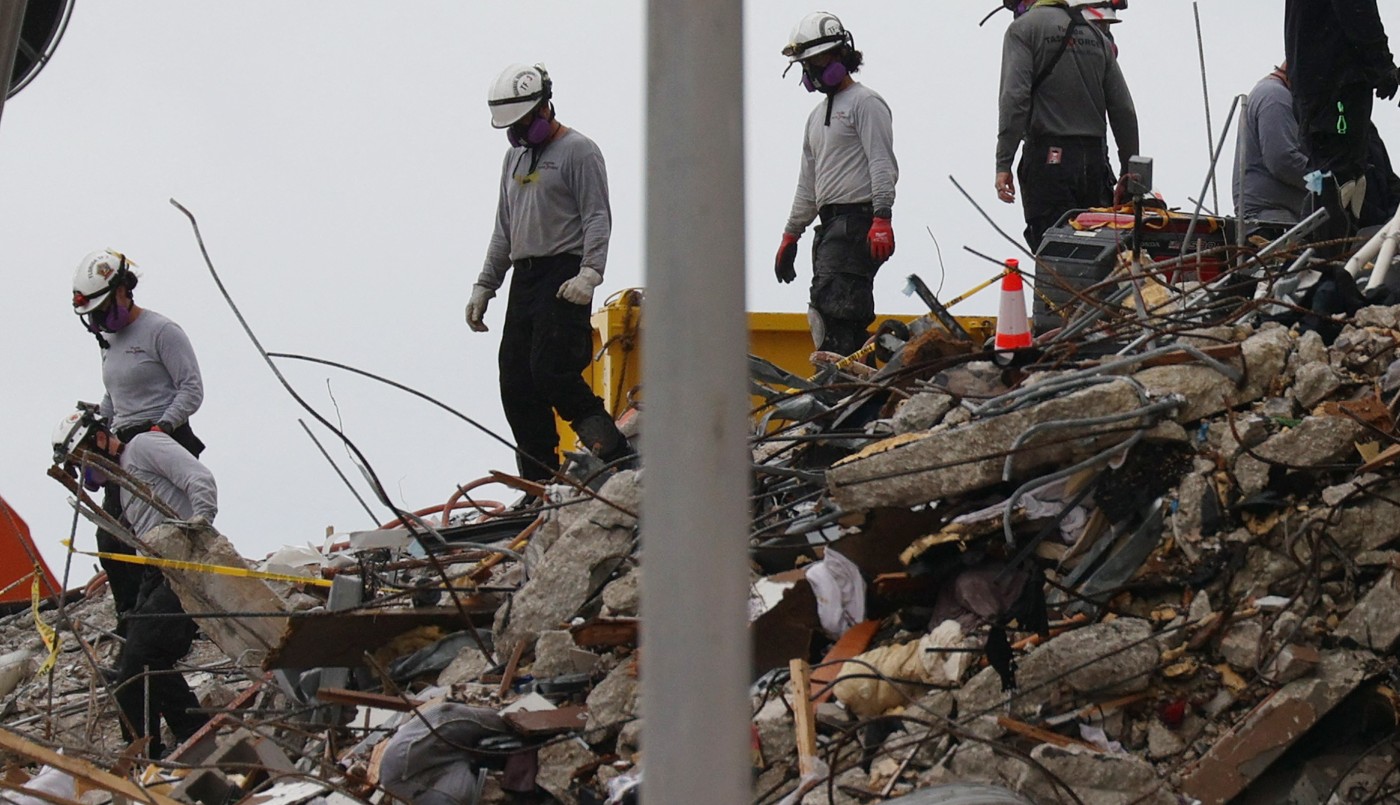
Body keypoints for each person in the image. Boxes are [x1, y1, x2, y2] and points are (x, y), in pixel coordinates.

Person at [465, 63, 632, 484]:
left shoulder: (579, 151)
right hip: (525, 275)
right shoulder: (514, 158)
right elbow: (505, 227)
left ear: (544, 108)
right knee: (515, 378)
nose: (519, 132)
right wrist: (486, 283)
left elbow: (597, 216)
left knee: (551, 369)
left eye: (524, 122)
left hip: (564, 272)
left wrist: (591, 272)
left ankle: (612, 450)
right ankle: (538, 478)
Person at [52, 405, 216, 759]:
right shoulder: (123, 487)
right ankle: (143, 758)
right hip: (157, 570)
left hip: (187, 561)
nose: (84, 472)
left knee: (146, 654)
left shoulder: (144, 446)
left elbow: (198, 478)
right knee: (128, 673)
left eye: (83, 461)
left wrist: (199, 523)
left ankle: (197, 736)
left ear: (100, 438)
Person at [71, 249, 205, 628]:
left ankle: (175, 620)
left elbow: (191, 389)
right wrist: (92, 426)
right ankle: (130, 620)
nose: (98, 320)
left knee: (163, 535)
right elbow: (115, 399)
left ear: (122, 291)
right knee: (112, 536)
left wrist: (162, 428)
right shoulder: (108, 344)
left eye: (101, 309)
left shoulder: (162, 331)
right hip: (125, 445)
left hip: (162, 439)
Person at [774, 11, 898, 359]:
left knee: (835, 313)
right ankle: (854, 393)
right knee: (832, 313)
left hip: (858, 222)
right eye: (806, 64)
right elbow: (808, 184)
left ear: (840, 56)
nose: (810, 72)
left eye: (816, 61)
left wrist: (882, 217)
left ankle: (839, 397)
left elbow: (881, 163)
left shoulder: (866, 103)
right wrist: (791, 234)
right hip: (830, 226)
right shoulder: (815, 117)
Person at [995, 0, 1139, 251]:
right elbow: (1123, 110)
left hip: (1049, 162)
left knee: (1056, 255)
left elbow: (1014, 99)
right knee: (1099, 252)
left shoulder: (1023, 30)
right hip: (1096, 164)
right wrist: (1128, 170)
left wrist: (1003, 162)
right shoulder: (1096, 34)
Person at [1284, 0, 1400, 250]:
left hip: (1313, 86)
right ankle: (1326, 257)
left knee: (1326, 173)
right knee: (1341, 176)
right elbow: (1358, 11)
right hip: (1338, 85)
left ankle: (1319, 254)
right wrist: (1382, 66)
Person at [1233, 62, 1309, 228]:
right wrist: (1326, 181)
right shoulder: (1275, 97)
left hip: (1276, 215)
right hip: (1272, 218)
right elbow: (1282, 160)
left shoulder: (1272, 93)